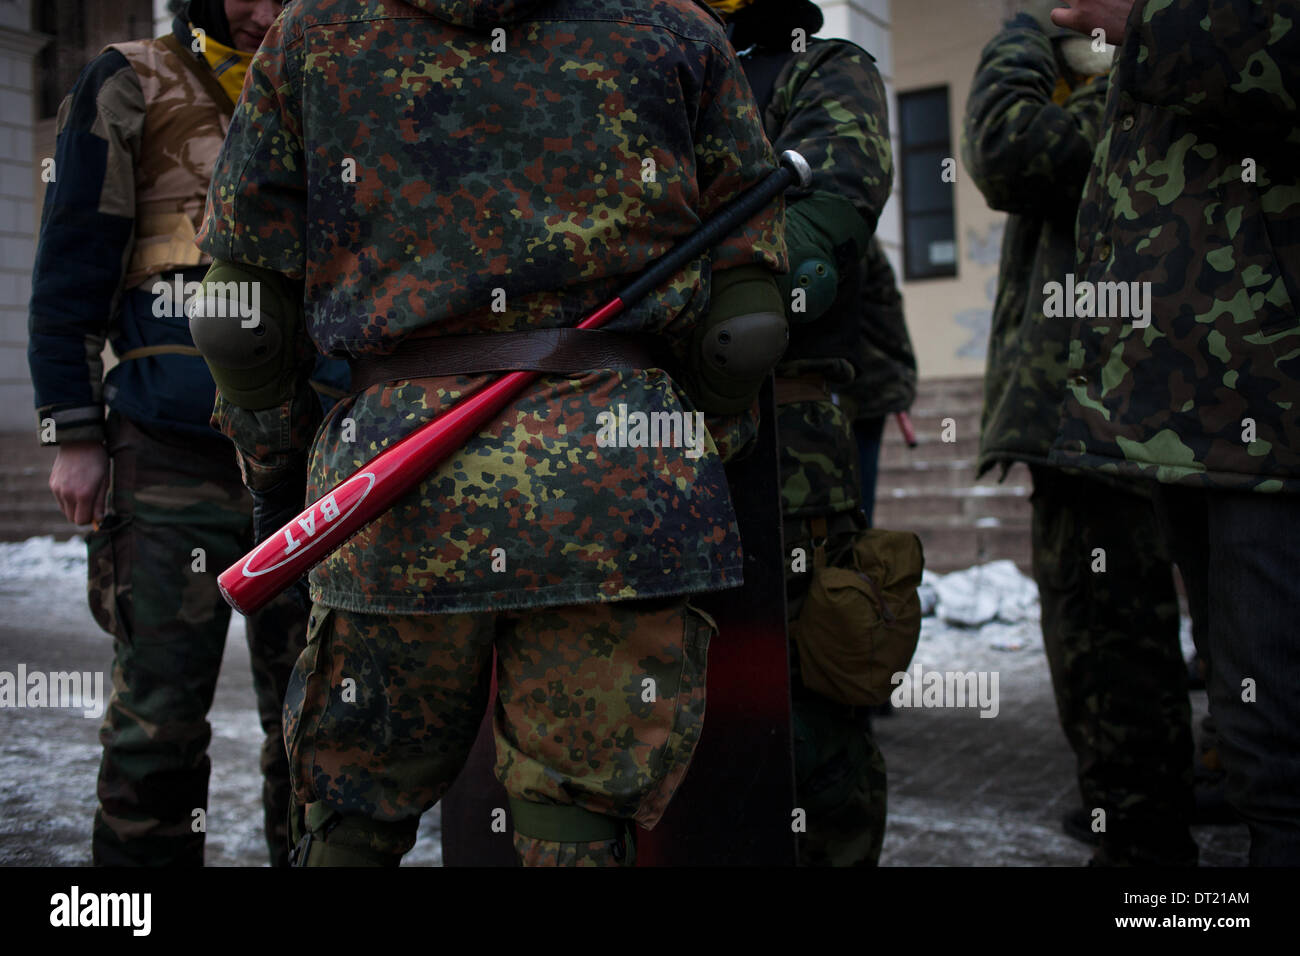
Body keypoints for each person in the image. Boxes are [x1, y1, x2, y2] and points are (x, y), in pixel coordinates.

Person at [192, 0, 787, 866]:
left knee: (354, 811)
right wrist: (695, 439)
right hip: (616, 479)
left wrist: (277, 472)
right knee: (576, 818)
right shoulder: (675, 28)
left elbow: (241, 321)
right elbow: (746, 323)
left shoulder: (315, 32)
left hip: (391, 489)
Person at [27, 0, 322, 866]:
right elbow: (72, 264)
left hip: (310, 460)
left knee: (317, 726)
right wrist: (74, 433)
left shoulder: (335, 85)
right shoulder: (129, 78)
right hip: (164, 455)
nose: (271, 9)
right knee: (156, 724)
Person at [1049, 0, 1300, 866]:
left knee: (1283, 747)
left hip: (1272, 405)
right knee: (1256, 729)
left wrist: (1142, 18)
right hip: (1199, 409)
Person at [963, 2, 1199, 865]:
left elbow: (1006, 144)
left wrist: (1023, 29)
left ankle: (1145, 851)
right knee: (1133, 642)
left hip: (1103, 418)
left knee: (1109, 648)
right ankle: (1151, 807)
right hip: (1130, 410)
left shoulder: (1150, 79)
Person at [707, 0, 894, 866]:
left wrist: (672, 299)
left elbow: (819, 241)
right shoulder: (626, 65)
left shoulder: (823, 69)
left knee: (809, 715)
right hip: (635, 439)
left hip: (785, 441)